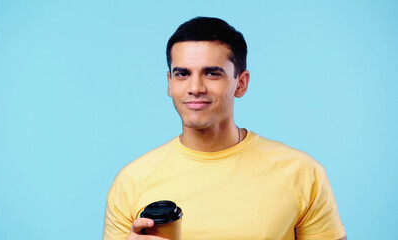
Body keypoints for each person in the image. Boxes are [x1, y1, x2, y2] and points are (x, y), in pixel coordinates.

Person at [103, 17, 347, 240]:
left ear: (240, 83)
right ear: (169, 83)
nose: (195, 87)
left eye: (211, 73)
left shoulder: (302, 174)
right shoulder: (131, 182)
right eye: (182, 74)